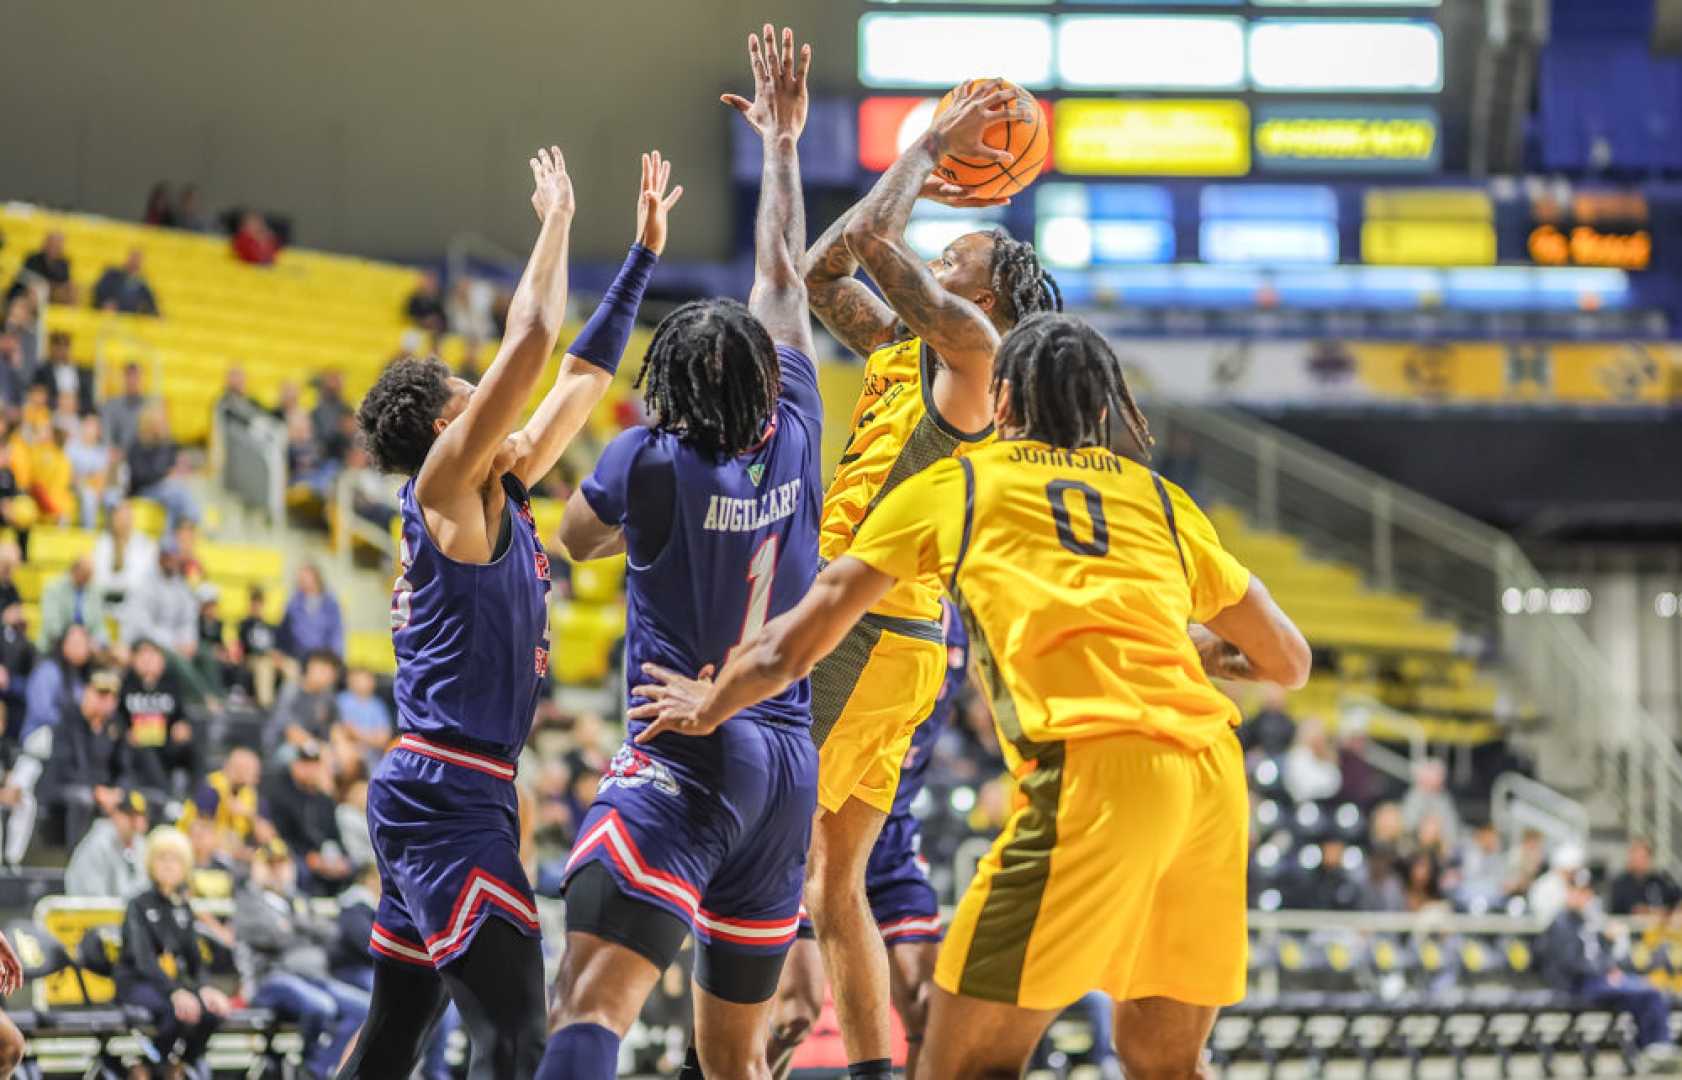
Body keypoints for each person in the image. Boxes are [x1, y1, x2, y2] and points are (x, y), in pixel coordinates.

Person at [634, 313, 1311, 1077]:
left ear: (1002, 401)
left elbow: (796, 639)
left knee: (961, 1065)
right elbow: (1288, 660)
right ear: (1098, 411)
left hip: (1096, 777)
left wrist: (711, 702)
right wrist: (1195, 650)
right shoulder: (1164, 502)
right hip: (1213, 787)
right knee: (1165, 1061)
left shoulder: (955, 483)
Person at [336, 140, 675, 1080]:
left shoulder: (500, 485)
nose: (490, 401)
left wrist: (643, 255)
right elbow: (529, 346)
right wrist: (558, 223)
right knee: (517, 1035)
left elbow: (579, 379)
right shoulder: (446, 483)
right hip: (448, 792)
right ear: (450, 425)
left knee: (398, 1033)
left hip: (452, 786)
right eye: (469, 393)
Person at [543, 30, 814, 1080]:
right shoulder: (794, 416)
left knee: (590, 1006)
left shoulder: (645, 461)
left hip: (691, 752)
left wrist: (631, 524)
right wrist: (780, 147)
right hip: (786, 769)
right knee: (729, 1063)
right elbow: (778, 270)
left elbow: (573, 543)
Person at [788, 79, 1062, 1078]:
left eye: (960, 252)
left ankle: (724, 1053)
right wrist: (924, 169)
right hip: (881, 633)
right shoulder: (907, 347)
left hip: (867, 624)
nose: (945, 243)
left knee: (754, 843)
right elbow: (824, 273)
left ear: (982, 296)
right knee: (831, 883)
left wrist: (925, 154)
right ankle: (870, 1069)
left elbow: (867, 246)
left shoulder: (974, 352)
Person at [768, 598, 970, 1079]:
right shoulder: (859, 598)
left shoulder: (959, 633)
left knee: (927, 1001)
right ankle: (742, 1064)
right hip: (820, 819)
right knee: (795, 1010)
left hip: (891, 832)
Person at [236, 839, 372, 1078]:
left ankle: (316, 1068)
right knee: (322, 1006)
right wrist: (302, 926)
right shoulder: (248, 900)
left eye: (282, 864)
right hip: (271, 978)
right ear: (260, 868)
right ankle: (308, 1065)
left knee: (365, 1007)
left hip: (313, 977)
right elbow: (274, 936)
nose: (278, 871)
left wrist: (296, 924)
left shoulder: (297, 899)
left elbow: (330, 931)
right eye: (271, 865)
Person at [1539, 868, 1681, 1073]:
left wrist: (1608, 948)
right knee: (1645, 992)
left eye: (1586, 891)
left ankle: (1655, 1049)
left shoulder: (1588, 921)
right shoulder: (1561, 923)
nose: (1582, 896)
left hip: (1599, 981)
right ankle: (1655, 1048)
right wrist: (1604, 972)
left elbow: (1599, 955)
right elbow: (1571, 963)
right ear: (1568, 892)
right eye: (1577, 891)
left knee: (1649, 989)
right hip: (1578, 986)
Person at [115, 827, 232, 1073]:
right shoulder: (138, 904)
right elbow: (143, 960)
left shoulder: (183, 908)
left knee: (212, 1012)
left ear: (185, 866)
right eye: (162, 858)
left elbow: (195, 961)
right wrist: (174, 991)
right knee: (177, 1011)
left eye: (176, 859)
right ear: (151, 863)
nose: (169, 865)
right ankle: (150, 1067)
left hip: (173, 983)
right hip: (138, 984)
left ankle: (181, 1063)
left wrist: (205, 988)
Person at [39, 668, 125, 851]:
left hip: (101, 791)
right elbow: (64, 768)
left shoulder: (115, 727)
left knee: (134, 800)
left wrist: (118, 790)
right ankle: (76, 863)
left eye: (111, 696)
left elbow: (125, 766)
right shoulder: (68, 721)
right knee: (83, 798)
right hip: (63, 787)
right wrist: (96, 790)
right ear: (87, 692)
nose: (106, 701)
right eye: (101, 694)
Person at [261, 742, 350, 893]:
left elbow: (335, 835)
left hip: (326, 856)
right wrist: (309, 857)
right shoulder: (281, 796)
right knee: (301, 871)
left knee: (355, 868)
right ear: (294, 765)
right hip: (297, 856)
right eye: (305, 764)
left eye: (314, 765)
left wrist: (343, 858)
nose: (310, 770)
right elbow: (281, 836)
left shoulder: (325, 801)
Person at [116, 637, 200, 797]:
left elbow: (180, 715)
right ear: (133, 660)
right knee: (143, 751)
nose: (148, 661)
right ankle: (166, 797)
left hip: (165, 742)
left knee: (192, 748)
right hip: (136, 746)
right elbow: (116, 717)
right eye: (143, 656)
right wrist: (125, 732)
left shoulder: (171, 683)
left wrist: (182, 726)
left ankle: (196, 798)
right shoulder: (125, 684)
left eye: (153, 656)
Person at [126, 404, 201, 530]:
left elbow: (178, 459)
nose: (161, 425)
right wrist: (165, 475)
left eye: (162, 422)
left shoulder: (166, 443)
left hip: (164, 488)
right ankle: (194, 518)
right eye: (158, 422)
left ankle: (177, 533)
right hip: (144, 490)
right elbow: (140, 476)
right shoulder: (137, 445)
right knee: (175, 490)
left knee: (176, 493)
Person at [64, 788, 149, 897]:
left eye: (140, 816)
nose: (135, 822)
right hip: (95, 911)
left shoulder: (141, 845)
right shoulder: (97, 844)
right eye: (130, 816)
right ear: (115, 814)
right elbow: (91, 895)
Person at [178, 745, 264, 852]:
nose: (256, 778)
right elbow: (199, 835)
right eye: (252, 771)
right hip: (193, 849)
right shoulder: (210, 790)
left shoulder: (249, 794)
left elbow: (266, 836)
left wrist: (249, 814)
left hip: (231, 853)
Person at [267, 649, 343, 751]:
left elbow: (336, 728)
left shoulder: (327, 696)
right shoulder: (291, 690)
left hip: (313, 749)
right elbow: (291, 731)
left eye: (331, 674)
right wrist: (319, 749)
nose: (327, 677)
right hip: (280, 747)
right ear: (310, 667)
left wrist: (343, 749)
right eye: (323, 670)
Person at [92, 500, 158, 608]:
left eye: (127, 517)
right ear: (113, 519)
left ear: (132, 519)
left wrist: (119, 584)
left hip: (136, 603)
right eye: (119, 517)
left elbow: (140, 580)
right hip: (106, 601)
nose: (123, 522)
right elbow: (99, 579)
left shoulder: (144, 544)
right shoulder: (103, 542)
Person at [279, 563, 345, 661]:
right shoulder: (294, 602)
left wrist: (333, 659)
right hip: (298, 655)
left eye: (304, 577)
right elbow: (285, 632)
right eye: (299, 578)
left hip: (323, 656)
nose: (300, 581)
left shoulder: (331, 604)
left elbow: (336, 635)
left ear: (315, 578)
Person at [1608, 837, 1680, 916]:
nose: (1640, 861)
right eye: (1636, 857)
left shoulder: (1659, 880)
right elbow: (1619, 910)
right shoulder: (1620, 883)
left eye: (1643, 857)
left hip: (1659, 927)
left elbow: (1675, 899)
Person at [1400, 758, 1461, 851]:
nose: (1440, 781)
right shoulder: (1414, 797)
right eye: (1436, 777)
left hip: (1440, 845)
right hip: (1417, 845)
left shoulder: (1443, 798)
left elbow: (1451, 826)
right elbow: (1408, 823)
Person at [32, 329, 96, 416]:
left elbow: (87, 399)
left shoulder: (81, 372)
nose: (61, 351)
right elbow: (39, 396)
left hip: (78, 415)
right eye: (58, 347)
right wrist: (60, 404)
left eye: (65, 346)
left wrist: (76, 406)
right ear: (51, 348)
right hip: (53, 415)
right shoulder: (42, 372)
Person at [336, 666, 393, 762]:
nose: (365, 683)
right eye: (359, 679)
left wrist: (360, 735)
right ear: (350, 681)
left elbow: (384, 737)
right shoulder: (342, 700)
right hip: (347, 754)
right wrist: (372, 738)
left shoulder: (378, 705)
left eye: (368, 679)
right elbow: (344, 730)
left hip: (373, 757)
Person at [1282, 717, 1342, 805]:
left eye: (1321, 735)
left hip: (1329, 805)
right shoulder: (1298, 755)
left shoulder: (1329, 757)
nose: (1320, 739)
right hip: (1303, 806)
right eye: (1316, 734)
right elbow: (1302, 788)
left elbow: (1334, 784)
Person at [11, 231, 75, 305]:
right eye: (52, 243)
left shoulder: (64, 262)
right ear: (45, 243)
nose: (54, 247)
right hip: (29, 292)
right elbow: (27, 279)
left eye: (58, 244)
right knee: (37, 288)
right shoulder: (32, 258)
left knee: (72, 288)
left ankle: (70, 314)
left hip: (53, 293)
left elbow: (65, 281)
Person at [100, 362, 151, 453]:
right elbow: (106, 438)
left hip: (144, 457)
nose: (132, 381)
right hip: (119, 457)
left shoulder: (149, 406)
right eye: (129, 377)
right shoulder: (111, 405)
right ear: (123, 379)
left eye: (136, 377)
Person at [93, 248, 160, 315]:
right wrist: (105, 302)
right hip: (107, 314)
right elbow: (99, 289)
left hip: (130, 319)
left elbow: (151, 305)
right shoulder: (112, 274)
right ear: (128, 259)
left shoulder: (142, 284)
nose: (135, 262)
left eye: (138, 260)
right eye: (133, 259)